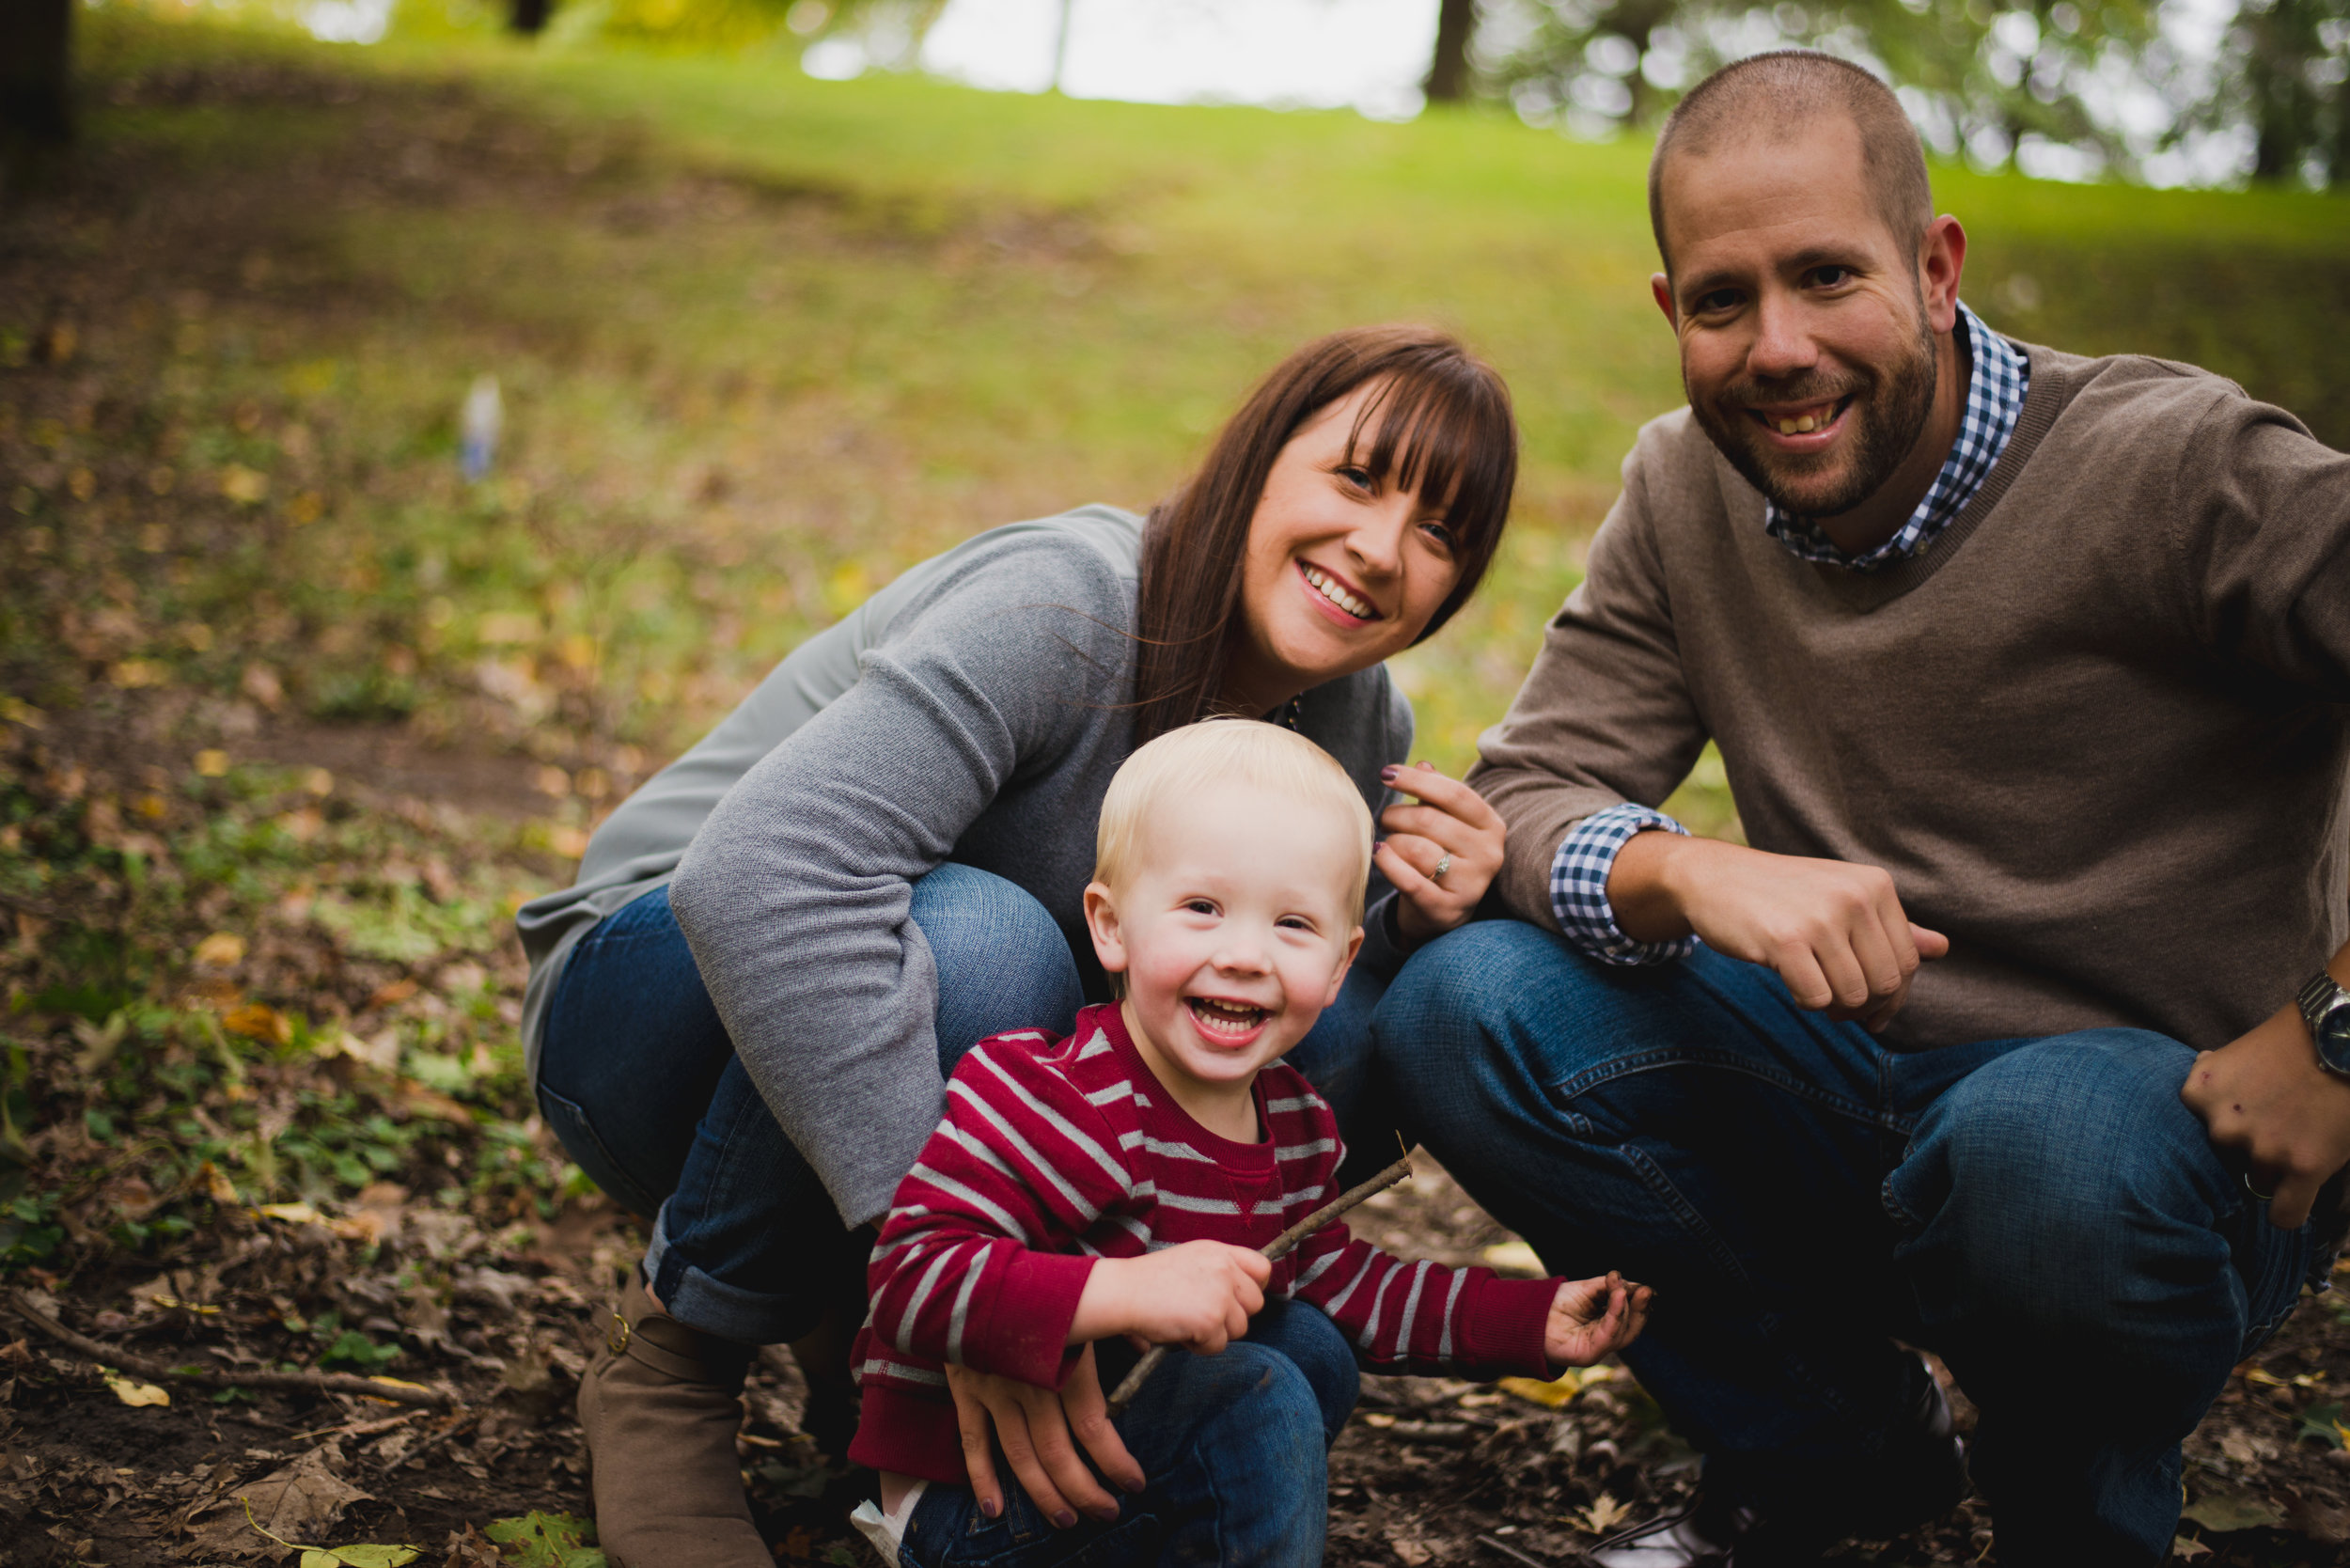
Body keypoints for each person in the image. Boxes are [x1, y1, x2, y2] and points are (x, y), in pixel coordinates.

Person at [1372, 48, 2350, 1568]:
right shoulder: (1686, 486)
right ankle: (1836, 1449)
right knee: (1465, 1002)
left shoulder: (2174, 466)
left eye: (1829, 276)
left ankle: (2078, 1513)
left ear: (1936, 265)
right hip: (1866, 1084)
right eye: (1722, 300)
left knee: (2042, 1157)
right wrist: (1685, 866)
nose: (1777, 347)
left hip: (2164, 1133)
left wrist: (2340, 1027)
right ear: (1671, 315)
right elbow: (1528, 790)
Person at [511, 325, 1523, 1568]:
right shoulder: (1070, 604)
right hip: (645, 1013)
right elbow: (760, 875)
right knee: (984, 941)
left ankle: (894, 1390)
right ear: (1259, 458)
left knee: (1343, 1002)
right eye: (1357, 480)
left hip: (916, 1103)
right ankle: (678, 1358)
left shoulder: (1361, 725)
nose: (1381, 549)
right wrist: (964, 1290)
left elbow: (1271, 1045)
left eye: (1440, 534)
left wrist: (1416, 924)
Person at [845, 720, 1653, 1568]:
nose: (1243, 955)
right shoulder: (1056, 1093)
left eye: (1292, 924)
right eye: (1202, 909)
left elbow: (1349, 1284)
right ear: (1111, 927)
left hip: (1115, 1457)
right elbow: (914, 1279)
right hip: (979, 1506)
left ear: (1341, 968)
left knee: (1309, 1348)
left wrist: (1528, 1321)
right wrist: (1122, 1291)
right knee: (1259, 1394)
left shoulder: (1294, 1123)